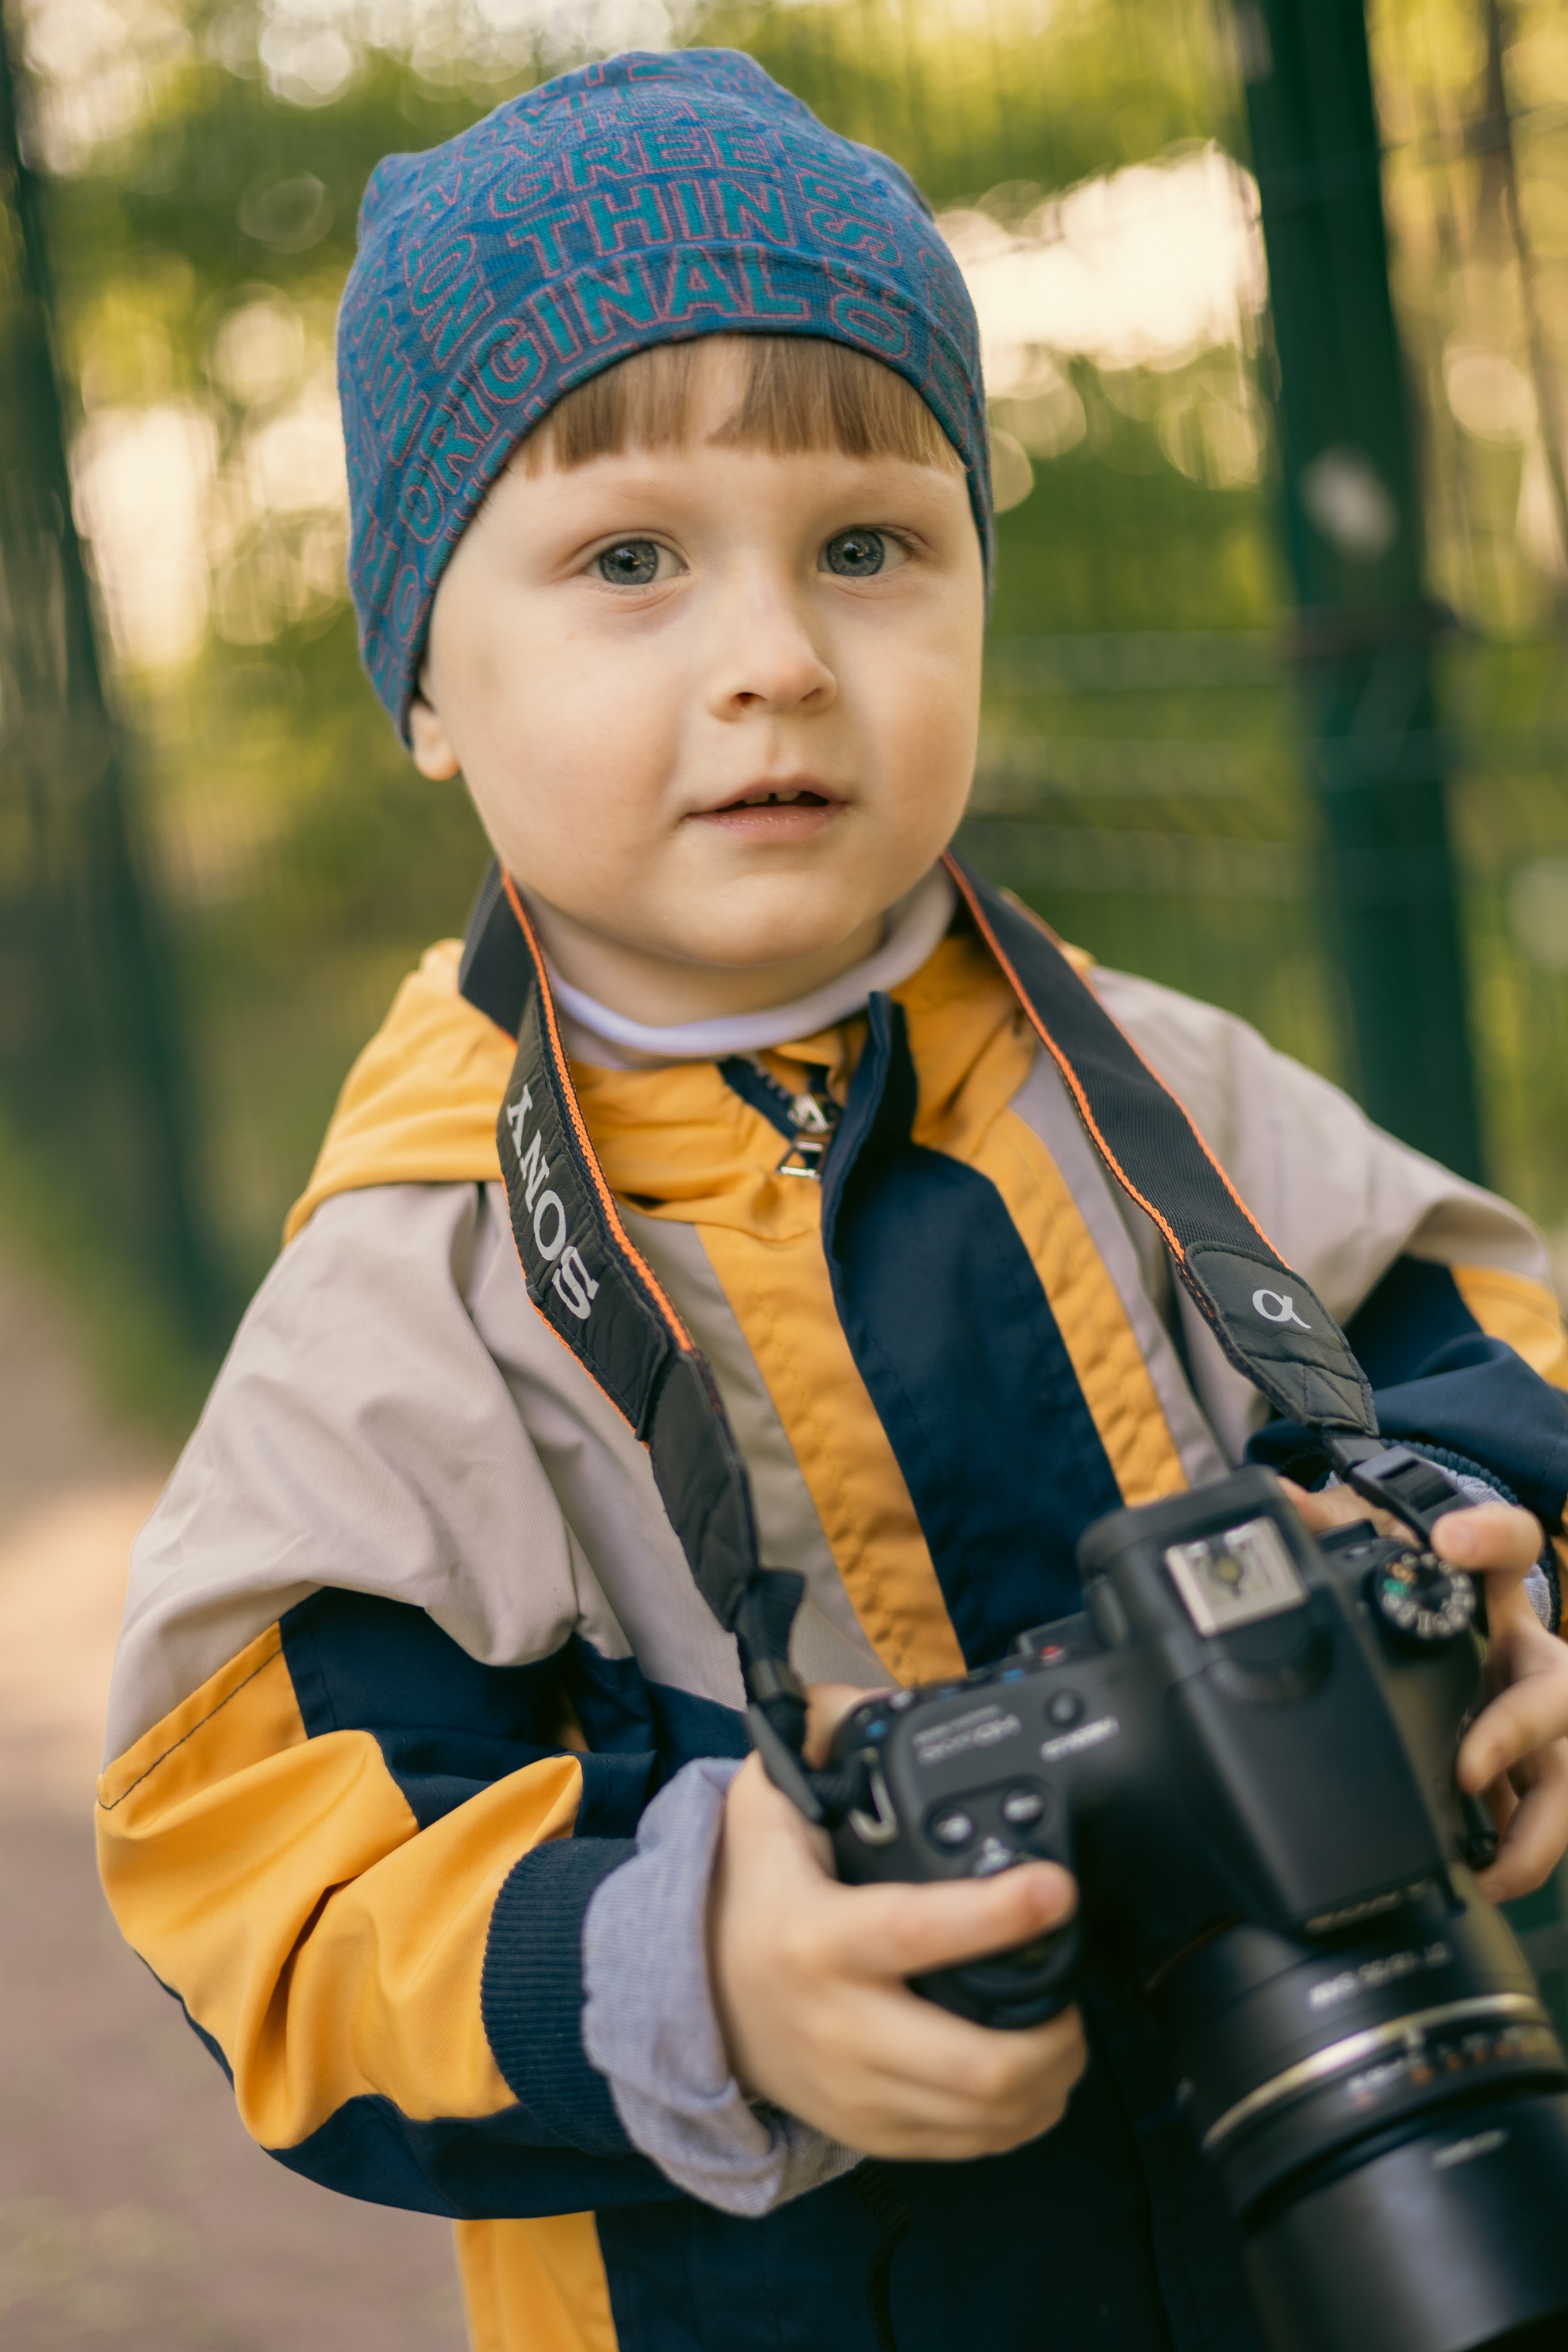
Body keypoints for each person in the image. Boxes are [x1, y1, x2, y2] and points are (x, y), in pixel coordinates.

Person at [97, 47, 1568, 2352]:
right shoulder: (417, 1300)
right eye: (629, 562)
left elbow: (1501, 1379)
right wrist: (698, 1971)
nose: (776, 653)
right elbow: (272, 1896)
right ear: (426, 687)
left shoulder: (1176, 1100)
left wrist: (1487, 1570)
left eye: (869, 545)